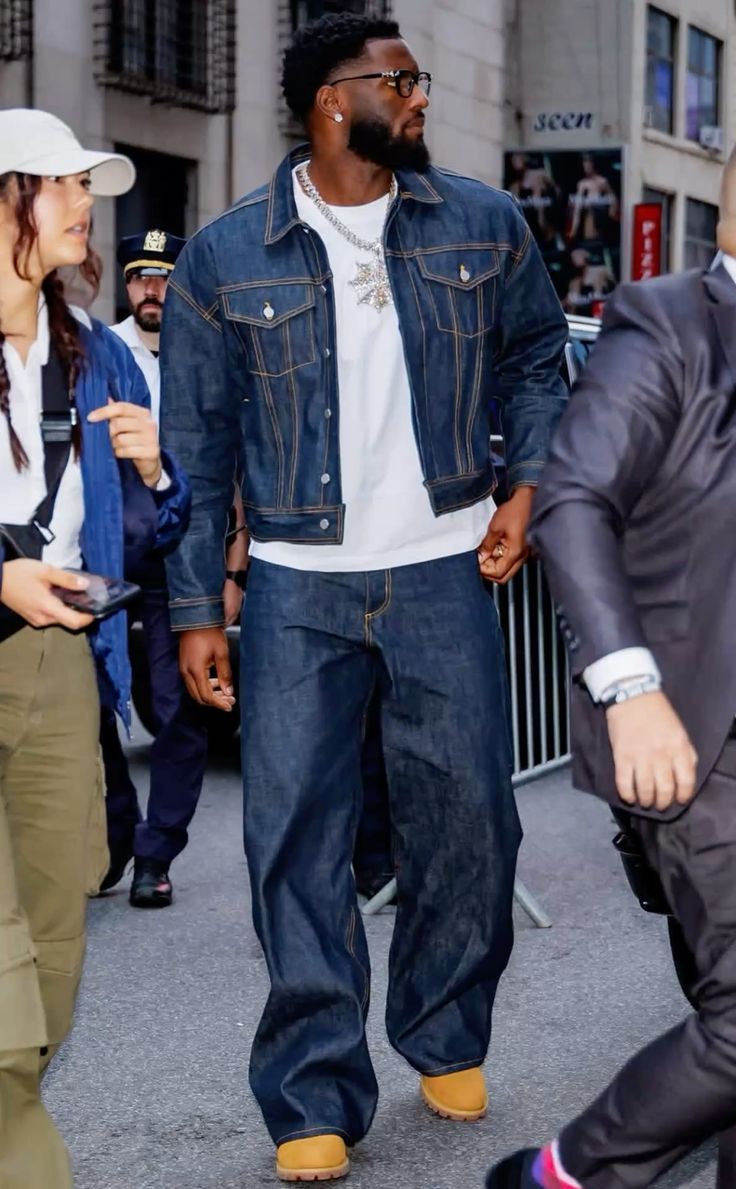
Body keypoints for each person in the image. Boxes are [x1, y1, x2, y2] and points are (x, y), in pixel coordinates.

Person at [160, 12, 567, 1182]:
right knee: (295, 836)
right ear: (334, 100)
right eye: (402, 79)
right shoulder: (226, 255)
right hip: (296, 584)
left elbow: (535, 358)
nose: (420, 95)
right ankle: (312, 1091)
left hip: (445, 565)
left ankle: (443, 1026)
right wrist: (197, 607)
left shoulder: (481, 223)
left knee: (470, 818)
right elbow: (195, 443)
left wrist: (526, 484)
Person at [486, 146, 736, 1189]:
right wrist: (628, 688)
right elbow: (575, 499)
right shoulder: (671, 321)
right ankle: (561, 1176)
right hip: (693, 724)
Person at [0, 109, 189, 1187]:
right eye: (66, 183)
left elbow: (158, 524)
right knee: (2, 978)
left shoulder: (100, 350)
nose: (88, 205)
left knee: (54, 958)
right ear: (8, 197)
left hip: (67, 671)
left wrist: (158, 473)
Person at [98, 230, 233, 909]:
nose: (151, 289)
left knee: (179, 707)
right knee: (93, 701)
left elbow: (234, 459)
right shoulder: (98, 349)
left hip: (180, 553)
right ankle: (114, 831)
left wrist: (232, 567)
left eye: (163, 276)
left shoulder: (212, 348)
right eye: (138, 277)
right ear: (126, 286)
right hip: (105, 549)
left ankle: (156, 853)